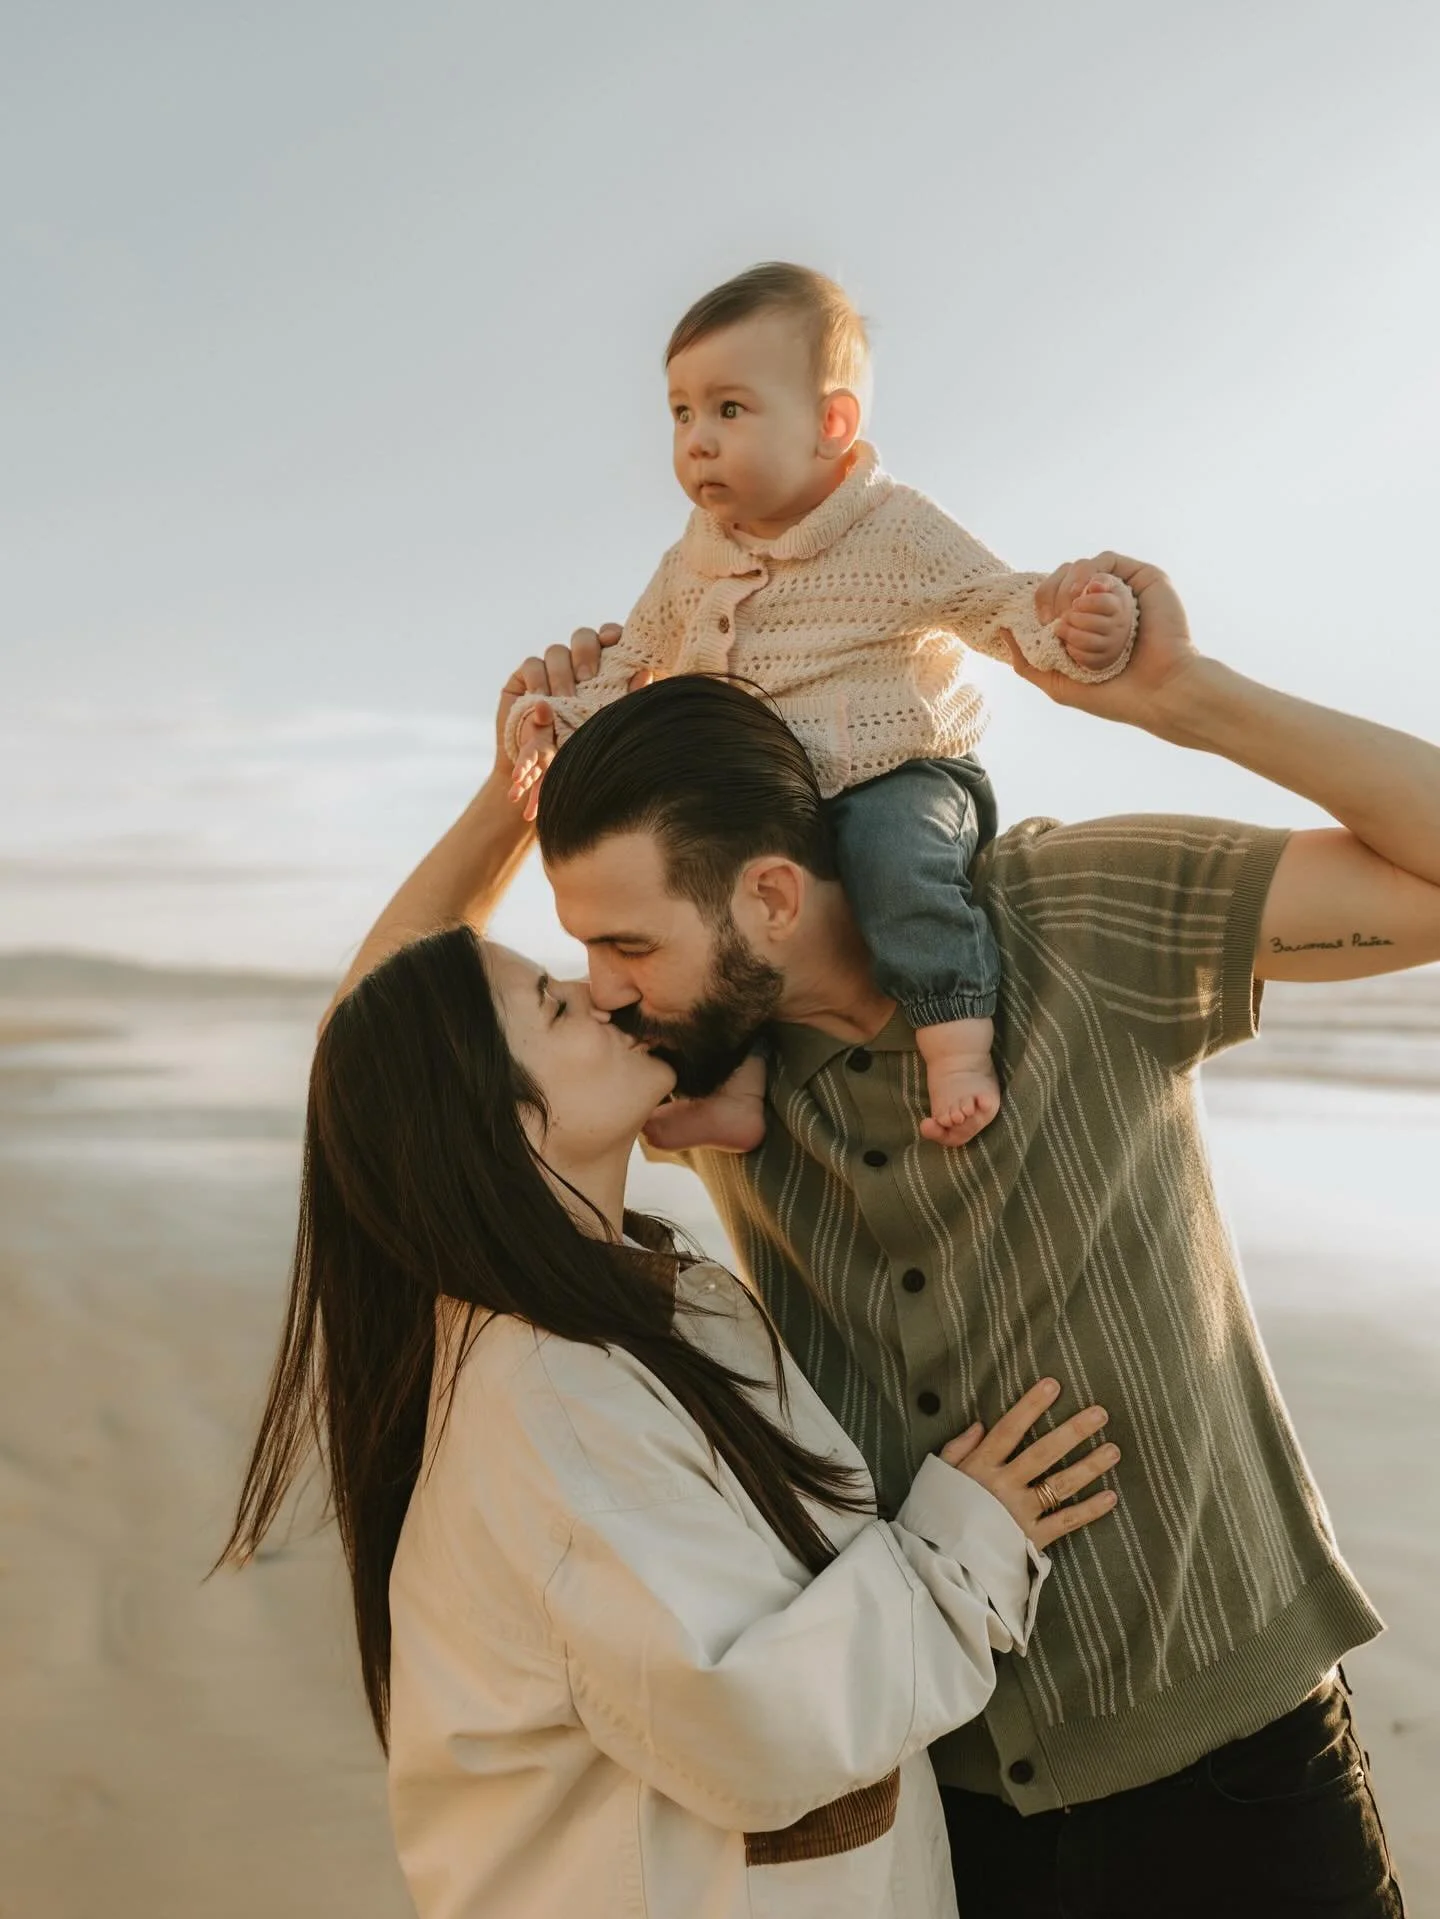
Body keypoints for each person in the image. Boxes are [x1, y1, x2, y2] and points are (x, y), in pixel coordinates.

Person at [495, 554, 1423, 1916]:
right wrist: (503, 795)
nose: (603, 987)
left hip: (1241, 1767)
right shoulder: (687, 1070)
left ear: (765, 895)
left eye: (627, 941)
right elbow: (377, 1069)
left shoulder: (1066, 919)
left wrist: (1188, 697)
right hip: (945, 1795)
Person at [216, 670, 1122, 1919]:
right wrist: (964, 1547)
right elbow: (746, 1724)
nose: (601, 991)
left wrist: (515, 798)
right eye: (553, 998)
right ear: (494, 1120)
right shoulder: (551, 1393)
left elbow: (378, 1060)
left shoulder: (615, 1294)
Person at [505, 261, 1138, 1148]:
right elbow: (637, 662)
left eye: (729, 409)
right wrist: (557, 723)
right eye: (681, 414)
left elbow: (992, 601)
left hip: (902, 772)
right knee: (725, 926)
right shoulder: (694, 557)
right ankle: (736, 1092)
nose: (697, 440)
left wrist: (1069, 620)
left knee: (891, 862)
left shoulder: (893, 528)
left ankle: (955, 1036)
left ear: (831, 424)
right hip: (775, 800)